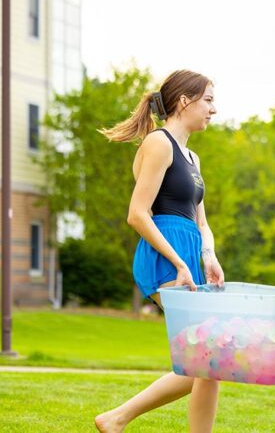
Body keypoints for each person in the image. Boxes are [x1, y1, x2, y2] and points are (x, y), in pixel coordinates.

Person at [94, 69, 225, 433]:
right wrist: (178, 262)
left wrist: (208, 255)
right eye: (209, 100)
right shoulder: (158, 143)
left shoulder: (193, 158)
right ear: (185, 101)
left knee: (208, 362)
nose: (214, 109)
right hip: (165, 256)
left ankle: (115, 419)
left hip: (188, 256)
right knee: (207, 359)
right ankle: (117, 417)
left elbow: (201, 220)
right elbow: (137, 214)